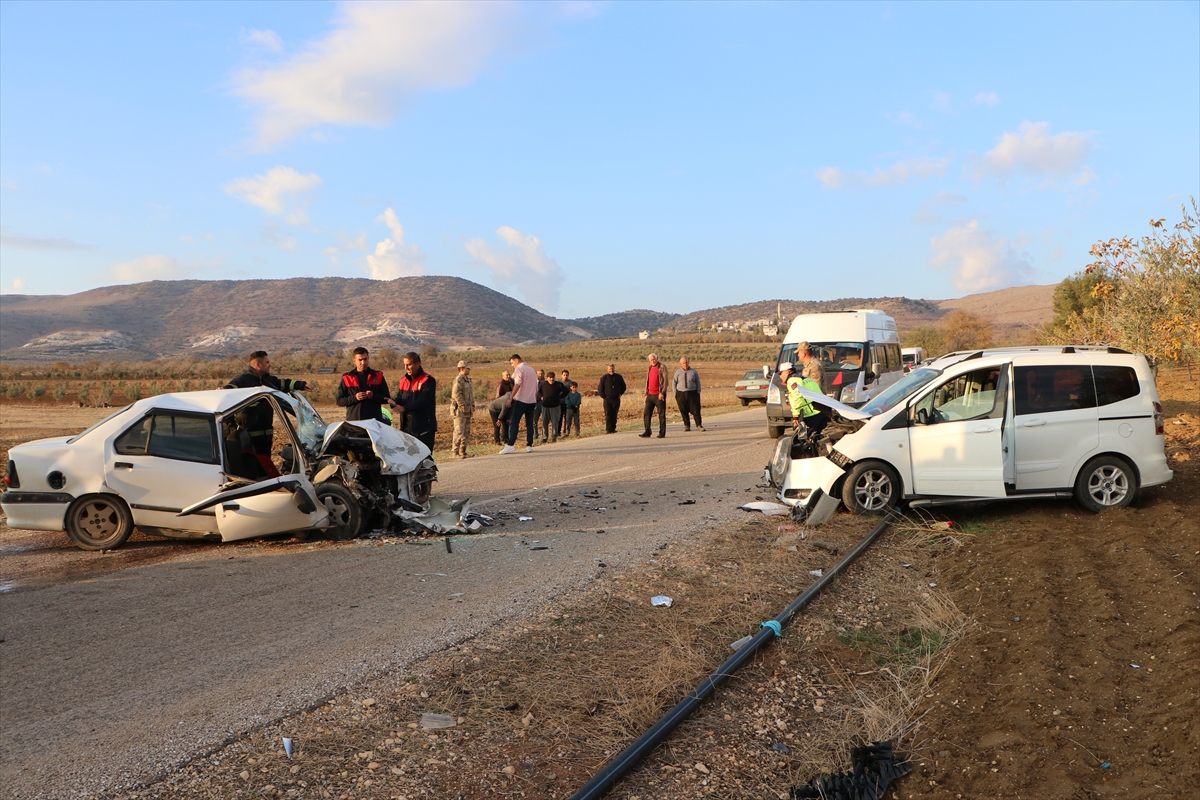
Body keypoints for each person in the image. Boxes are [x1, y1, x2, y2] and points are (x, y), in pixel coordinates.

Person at [223, 350, 315, 455]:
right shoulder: (244, 380)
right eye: (267, 362)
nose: (270, 364)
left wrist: (302, 385)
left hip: (267, 437)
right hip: (249, 439)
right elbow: (232, 388)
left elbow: (284, 383)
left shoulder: (269, 380)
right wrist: (224, 389)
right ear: (258, 365)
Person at [336, 347, 398, 423]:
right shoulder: (347, 378)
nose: (363, 362)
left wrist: (373, 396)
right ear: (354, 361)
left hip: (374, 422)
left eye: (365, 359)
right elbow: (339, 401)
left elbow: (387, 398)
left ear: (368, 359)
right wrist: (355, 397)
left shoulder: (378, 376)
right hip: (354, 423)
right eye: (360, 360)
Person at [394, 351, 438, 452]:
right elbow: (400, 397)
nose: (406, 368)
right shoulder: (403, 380)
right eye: (404, 365)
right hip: (407, 428)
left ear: (418, 364)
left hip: (424, 428)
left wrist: (404, 408)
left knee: (424, 460)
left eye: (409, 364)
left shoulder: (428, 380)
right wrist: (393, 402)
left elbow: (423, 401)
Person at [501, 354, 538, 454]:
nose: (512, 365)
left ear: (516, 360)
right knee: (529, 423)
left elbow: (518, 384)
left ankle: (510, 444)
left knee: (514, 422)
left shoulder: (519, 369)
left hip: (521, 400)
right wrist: (535, 399)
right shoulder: (531, 370)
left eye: (512, 363)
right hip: (531, 400)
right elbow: (536, 387)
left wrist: (511, 397)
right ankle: (529, 445)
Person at [779, 361, 828, 437]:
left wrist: (796, 415)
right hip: (821, 411)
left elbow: (798, 396)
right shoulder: (804, 378)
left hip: (812, 414)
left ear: (788, 372)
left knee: (803, 440)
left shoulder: (792, 380)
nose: (780, 376)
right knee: (819, 439)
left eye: (781, 373)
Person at [639, 353, 668, 439]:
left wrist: (662, 392)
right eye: (651, 360)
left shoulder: (662, 367)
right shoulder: (650, 368)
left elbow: (665, 381)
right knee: (647, 414)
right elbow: (648, 381)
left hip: (659, 395)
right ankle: (647, 431)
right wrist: (646, 393)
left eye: (654, 359)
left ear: (657, 358)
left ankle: (662, 433)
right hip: (650, 395)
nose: (653, 361)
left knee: (661, 414)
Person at [449, 360, 474, 459]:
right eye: (467, 368)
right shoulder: (458, 380)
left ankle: (463, 451)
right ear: (462, 369)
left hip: (468, 410)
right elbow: (456, 395)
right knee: (459, 431)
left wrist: (472, 405)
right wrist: (463, 406)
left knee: (466, 432)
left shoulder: (468, 380)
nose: (469, 370)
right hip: (459, 411)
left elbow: (471, 394)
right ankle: (455, 452)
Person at [672, 356, 704, 432]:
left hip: (693, 393)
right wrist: (675, 392)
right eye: (683, 363)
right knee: (683, 410)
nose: (685, 364)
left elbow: (698, 382)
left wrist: (698, 391)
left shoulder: (694, 372)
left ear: (688, 362)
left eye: (686, 362)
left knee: (696, 409)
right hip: (681, 394)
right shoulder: (678, 372)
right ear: (681, 364)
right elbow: (674, 383)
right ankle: (687, 425)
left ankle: (699, 425)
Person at [538, 370, 566, 442]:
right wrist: (541, 396)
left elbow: (566, 391)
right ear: (547, 378)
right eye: (550, 377)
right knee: (544, 422)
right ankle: (545, 437)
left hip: (555, 406)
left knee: (555, 422)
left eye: (553, 377)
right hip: (545, 406)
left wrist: (560, 397)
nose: (551, 379)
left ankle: (554, 437)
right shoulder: (543, 384)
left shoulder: (559, 384)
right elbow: (538, 391)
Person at [598, 363, 626, 434]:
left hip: (616, 399)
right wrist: (604, 397)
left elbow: (623, 386)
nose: (611, 370)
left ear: (614, 369)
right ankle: (608, 429)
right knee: (608, 414)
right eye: (610, 369)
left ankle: (613, 429)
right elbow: (600, 388)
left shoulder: (619, 377)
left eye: (612, 368)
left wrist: (620, 393)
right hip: (607, 399)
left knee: (615, 414)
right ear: (607, 369)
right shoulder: (604, 377)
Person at [532, 369, 546, 437]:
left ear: (544, 374)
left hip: (545, 403)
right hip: (536, 403)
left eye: (542, 374)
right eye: (539, 374)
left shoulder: (547, 382)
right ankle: (535, 434)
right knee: (534, 420)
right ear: (537, 374)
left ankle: (544, 434)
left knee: (545, 420)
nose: (540, 375)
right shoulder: (533, 383)